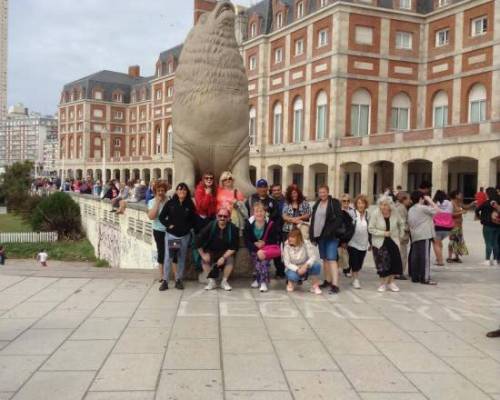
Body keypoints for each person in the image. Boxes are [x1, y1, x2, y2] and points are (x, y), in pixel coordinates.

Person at [158, 183, 196, 291]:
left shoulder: (189, 204)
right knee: (169, 257)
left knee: (181, 258)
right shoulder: (171, 203)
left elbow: (193, 219)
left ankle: (178, 280)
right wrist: (168, 224)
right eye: (179, 190)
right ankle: (165, 280)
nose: (181, 192)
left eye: (184, 190)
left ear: (187, 192)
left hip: (184, 236)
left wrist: (188, 228)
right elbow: (161, 217)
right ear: (176, 191)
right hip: (173, 236)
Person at [195, 206, 239, 291]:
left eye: (225, 216)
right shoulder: (211, 225)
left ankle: (224, 281)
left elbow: (234, 247)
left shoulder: (233, 228)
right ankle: (211, 282)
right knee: (204, 259)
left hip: (225, 252)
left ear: (229, 218)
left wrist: (223, 257)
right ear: (216, 216)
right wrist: (203, 254)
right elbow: (198, 240)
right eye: (220, 216)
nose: (222, 218)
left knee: (230, 259)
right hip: (211, 251)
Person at [309, 185, 343, 294]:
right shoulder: (317, 204)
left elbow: (338, 219)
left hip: (331, 236)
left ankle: (335, 285)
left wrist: (330, 231)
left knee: (332, 259)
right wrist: (312, 235)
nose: (322, 194)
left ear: (328, 192)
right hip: (320, 236)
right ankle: (327, 281)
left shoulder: (334, 203)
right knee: (325, 259)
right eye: (320, 192)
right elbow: (313, 220)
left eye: (324, 192)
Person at [368, 196, 405, 292]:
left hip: (393, 240)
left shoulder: (395, 212)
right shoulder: (375, 213)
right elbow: (370, 228)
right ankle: (382, 284)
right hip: (380, 242)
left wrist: (401, 235)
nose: (383, 207)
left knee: (394, 262)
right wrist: (383, 233)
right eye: (381, 204)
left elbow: (401, 223)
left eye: (386, 205)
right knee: (382, 263)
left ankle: (391, 282)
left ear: (390, 205)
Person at [244, 202, 281, 292]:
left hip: (267, 248)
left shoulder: (270, 224)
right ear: (253, 213)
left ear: (265, 212)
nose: (259, 213)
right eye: (256, 211)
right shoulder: (249, 223)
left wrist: (264, 243)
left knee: (263, 261)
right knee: (257, 262)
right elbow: (247, 240)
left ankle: (263, 282)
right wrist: (256, 248)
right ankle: (258, 279)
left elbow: (274, 239)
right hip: (254, 248)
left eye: (261, 211)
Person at [408, 191, 441, 285]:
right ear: (420, 199)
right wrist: (430, 201)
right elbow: (438, 211)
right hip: (424, 234)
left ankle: (415, 277)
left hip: (415, 235)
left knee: (416, 256)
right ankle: (425, 278)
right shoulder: (422, 208)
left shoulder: (411, 209)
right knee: (425, 257)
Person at [283, 228, 322, 294]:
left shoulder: (306, 243)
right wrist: (297, 269)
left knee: (317, 265)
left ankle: (314, 286)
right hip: (293, 267)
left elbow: (312, 257)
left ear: (298, 238)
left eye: (293, 237)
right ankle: (290, 282)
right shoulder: (286, 245)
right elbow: (287, 263)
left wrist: (306, 265)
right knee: (293, 276)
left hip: (304, 265)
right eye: (289, 237)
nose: (290, 239)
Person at [147, 180, 169, 282]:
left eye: (163, 190)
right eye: (158, 190)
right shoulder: (151, 202)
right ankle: (162, 275)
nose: (161, 192)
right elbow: (151, 217)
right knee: (161, 251)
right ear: (155, 191)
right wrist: (157, 202)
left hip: (171, 232)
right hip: (159, 231)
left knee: (173, 251)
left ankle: (172, 274)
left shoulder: (169, 201)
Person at [347, 194, 370, 289]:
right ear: (356, 204)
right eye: (359, 203)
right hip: (352, 242)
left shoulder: (368, 215)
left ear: (365, 204)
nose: (361, 205)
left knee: (359, 263)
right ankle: (356, 279)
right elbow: (347, 227)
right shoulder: (352, 213)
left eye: (363, 203)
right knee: (354, 261)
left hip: (363, 243)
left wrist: (371, 243)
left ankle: (353, 276)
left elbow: (370, 229)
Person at [475, 187, 500, 266]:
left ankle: (487, 260)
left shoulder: (486, 203)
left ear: (488, 194)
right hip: (498, 224)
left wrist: (479, 217)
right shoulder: (498, 202)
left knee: (488, 242)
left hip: (488, 225)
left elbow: (477, 210)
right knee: (496, 242)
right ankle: (496, 260)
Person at [447, 190, 471, 263]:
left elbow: (466, 207)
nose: (462, 196)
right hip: (453, 225)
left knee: (458, 241)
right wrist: (461, 212)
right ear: (456, 195)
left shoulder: (458, 203)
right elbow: (450, 214)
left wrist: (473, 203)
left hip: (459, 225)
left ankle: (456, 257)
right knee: (452, 241)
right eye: (460, 194)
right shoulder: (451, 203)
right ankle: (449, 257)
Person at [432, 190, 454, 266]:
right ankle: (438, 257)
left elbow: (432, 214)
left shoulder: (435, 204)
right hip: (448, 228)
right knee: (439, 243)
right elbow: (451, 213)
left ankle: (440, 260)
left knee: (436, 244)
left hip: (437, 227)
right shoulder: (450, 203)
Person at [270, 183, 287, 278]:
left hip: (285, 229)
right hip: (274, 229)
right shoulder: (270, 201)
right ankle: (279, 270)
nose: (276, 192)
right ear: (272, 192)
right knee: (276, 251)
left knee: (287, 249)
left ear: (281, 190)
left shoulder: (286, 201)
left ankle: (287, 269)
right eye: (274, 190)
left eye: (278, 190)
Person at [394, 191, 411, 279]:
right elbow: (403, 224)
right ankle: (399, 272)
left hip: (397, 235)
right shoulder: (402, 208)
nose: (410, 201)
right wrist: (410, 229)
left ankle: (397, 272)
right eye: (408, 199)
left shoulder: (396, 206)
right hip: (401, 235)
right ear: (403, 199)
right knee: (402, 255)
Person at [339, 193, 355, 277]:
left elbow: (353, 224)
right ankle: (344, 268)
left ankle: (347, 269)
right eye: (344, 201)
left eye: (348, 201)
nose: (346, 203)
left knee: (349, 252)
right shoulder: (338, 211)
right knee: (341, 252)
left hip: (350, 235)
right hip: (341, 235)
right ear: (341, 201)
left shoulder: (352, 211)